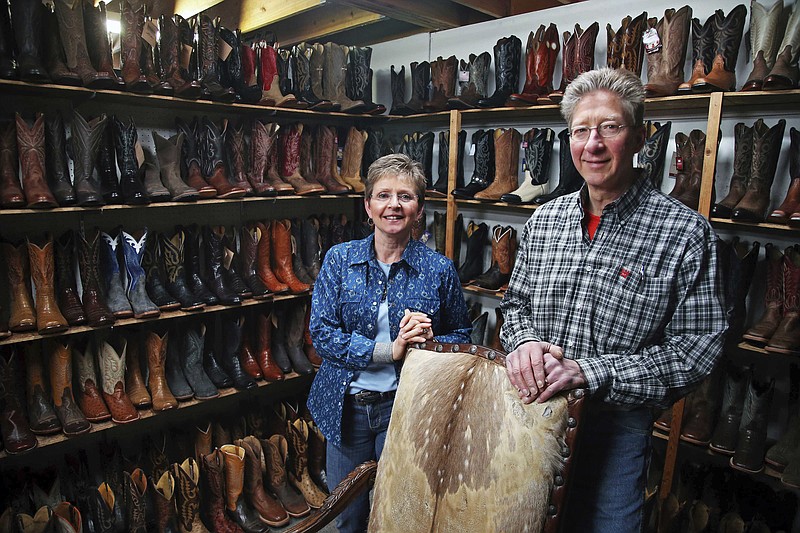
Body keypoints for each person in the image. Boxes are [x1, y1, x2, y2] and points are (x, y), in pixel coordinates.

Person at [500, 67, 727, 532]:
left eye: (610, 127)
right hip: (531, 415)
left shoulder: (684, 234)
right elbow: (515, 303)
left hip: (616, 429)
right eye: (581, 130)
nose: (593, 144)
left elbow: (698, 349)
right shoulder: (545, 220)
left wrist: (589, 372)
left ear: (639, 136)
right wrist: (521, 342)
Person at [308, 153, 471, 533]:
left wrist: (430, 342)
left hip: (406, 408)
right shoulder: (339, 260)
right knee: (346, 515)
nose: (393, 205)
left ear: (419, 208)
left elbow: (462, 336)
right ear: (368, 206)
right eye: (383, 195)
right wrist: (390, 350)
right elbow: (323, 335)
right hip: (347, 408)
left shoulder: (438, 269)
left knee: (397, 513)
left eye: (405, 196)